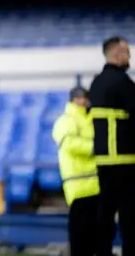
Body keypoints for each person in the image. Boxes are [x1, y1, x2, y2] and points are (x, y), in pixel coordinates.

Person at [89, 36, 135, 256]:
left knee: (104, 213)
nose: (130, 56)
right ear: (117, 54)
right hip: (125, 159)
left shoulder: (96, 83)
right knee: (129, 216)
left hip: (103, 160)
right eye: (127, 52)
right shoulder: (123, 83)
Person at [52, 86, 106, 256]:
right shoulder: (66, 120)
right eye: (80, 98)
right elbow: (70, 145)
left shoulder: (91, 118)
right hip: (79, 185)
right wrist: (98, 148)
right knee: (80, 234)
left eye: (85, 98)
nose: (83, 101)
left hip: (97, 184)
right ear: (73, 100)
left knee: (97, 233)